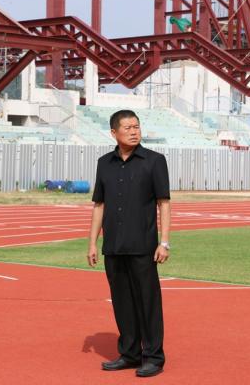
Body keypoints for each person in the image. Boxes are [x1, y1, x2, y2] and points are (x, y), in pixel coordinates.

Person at [87, 109, 171, 378]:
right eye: (128, 128)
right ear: (114, 132)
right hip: (113, 246)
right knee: (122, 302)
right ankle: (130, 354)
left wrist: (164, 242)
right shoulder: (104, 163)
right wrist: (92, 243)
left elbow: (164, 203)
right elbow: (99, 205)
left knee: (148, 303)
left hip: (143, 246)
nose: (134, 132)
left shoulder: (154, 161)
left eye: (137, 127)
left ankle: (153, 357)